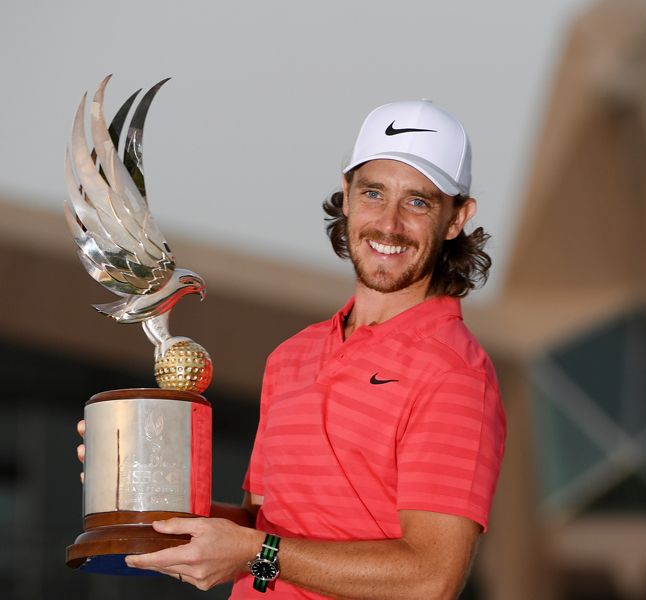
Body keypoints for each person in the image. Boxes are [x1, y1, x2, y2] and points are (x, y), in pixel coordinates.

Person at [79, 99, 506, 599]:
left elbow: (431, 577)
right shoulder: (292, 357)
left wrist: (254, 551)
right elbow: (263, 524)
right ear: (346, 196)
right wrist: (141, 493)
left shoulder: (455, 375)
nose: (389, 224)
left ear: (457, 218)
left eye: (418, 202)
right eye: (373, 193)